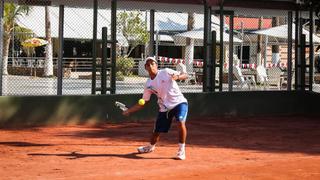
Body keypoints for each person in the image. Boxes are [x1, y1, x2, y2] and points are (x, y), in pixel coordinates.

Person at [123, 56, 189, 160]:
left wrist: (178, 77)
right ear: (145, 68)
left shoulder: (165, 72)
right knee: (156, 131)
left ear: (156, 65)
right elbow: (143, 101)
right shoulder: (148, 84)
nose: (151, 66)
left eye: (152, 64)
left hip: (179, 103)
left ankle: (181, 151)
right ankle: (150, 147)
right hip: (164, 108)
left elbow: (185, 75)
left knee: (180, 121)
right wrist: (129, 110)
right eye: (148, 65)